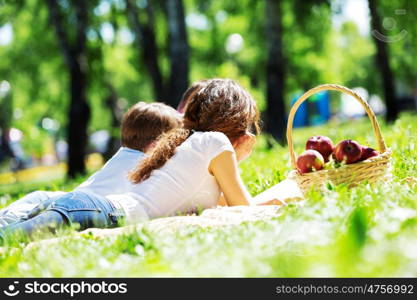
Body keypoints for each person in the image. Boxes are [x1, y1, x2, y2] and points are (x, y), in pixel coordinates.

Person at [0, 102, 182, 229]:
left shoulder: (123, 155)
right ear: (156, 145)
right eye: (173, 143)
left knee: (9, 218)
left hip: (52, 199)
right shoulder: (147, 166)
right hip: (64, 209)